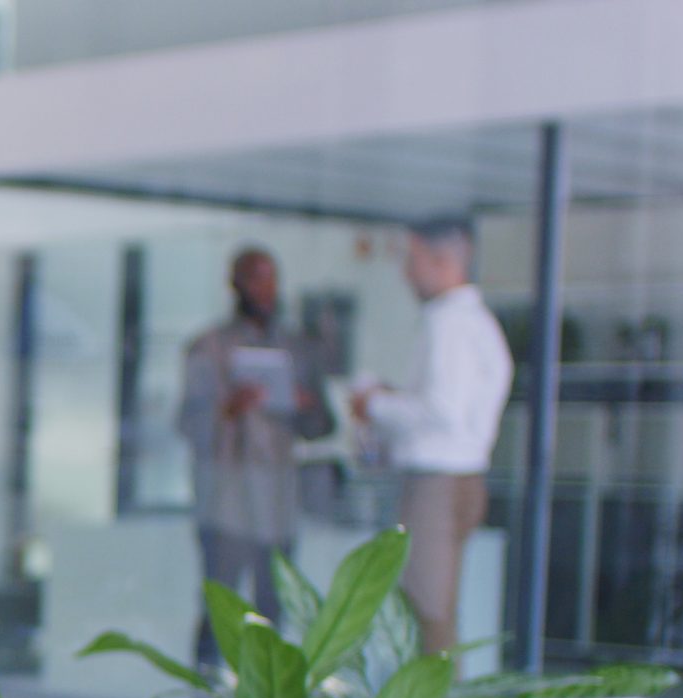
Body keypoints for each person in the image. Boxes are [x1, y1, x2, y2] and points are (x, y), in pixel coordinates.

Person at [352, 217, 514, 656]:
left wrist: (375, 406)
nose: (406, 272)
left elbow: (442, 410)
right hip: (456, 480)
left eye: (413, 259)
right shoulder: (475, 322)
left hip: (436, 485)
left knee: (428, 615)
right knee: (435, 610)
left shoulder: (450, 324)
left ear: (443, 262)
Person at [176, 246, 331, 661]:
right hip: (226, 495)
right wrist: (228, 407)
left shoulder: (296, 348)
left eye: (271, 278)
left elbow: (322, 427)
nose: (265, 289)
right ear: (235, 284)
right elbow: (188, 425)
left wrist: (305, 404)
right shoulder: (208, 348)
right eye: (255, 278)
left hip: (278, 496)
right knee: (220, 602)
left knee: (273, 603)